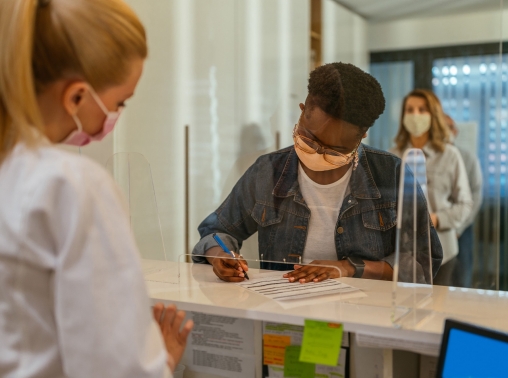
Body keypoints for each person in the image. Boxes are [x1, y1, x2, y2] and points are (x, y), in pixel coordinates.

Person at [0, 0, 192, 377]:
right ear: (76, 96)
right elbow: (115, 368)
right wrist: (161, 360)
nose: (117, 116)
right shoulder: (71, 185)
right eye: (120, 102)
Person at [193, 63, 442, 284]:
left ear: (362, 135)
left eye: (335, 150)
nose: (319, 155)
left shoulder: (392, 175)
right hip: (283, 316)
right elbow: (217, 231)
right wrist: (220, 255)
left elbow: (423, 262)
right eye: (310, 141)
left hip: (367, 317)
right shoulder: (267, 172)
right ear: (302, 111)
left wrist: (348, 268)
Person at [391, 89, 473, 286]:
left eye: (422, 110)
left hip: (443, 252)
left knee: (438, 310)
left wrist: (436, 219)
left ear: (433, 115)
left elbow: (465, 205)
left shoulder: (450, 155)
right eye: (410, 110)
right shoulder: (392, 156)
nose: (415, 115)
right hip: (402, 252)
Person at [445, 115, 483, 288]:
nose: (445, 130)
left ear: (456, 131)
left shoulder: (467, 158)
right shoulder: (426, 156)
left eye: (449, 126)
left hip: (462, 229)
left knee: (461, 277)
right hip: (437, 228)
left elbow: (475, 196)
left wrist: (458, 228)